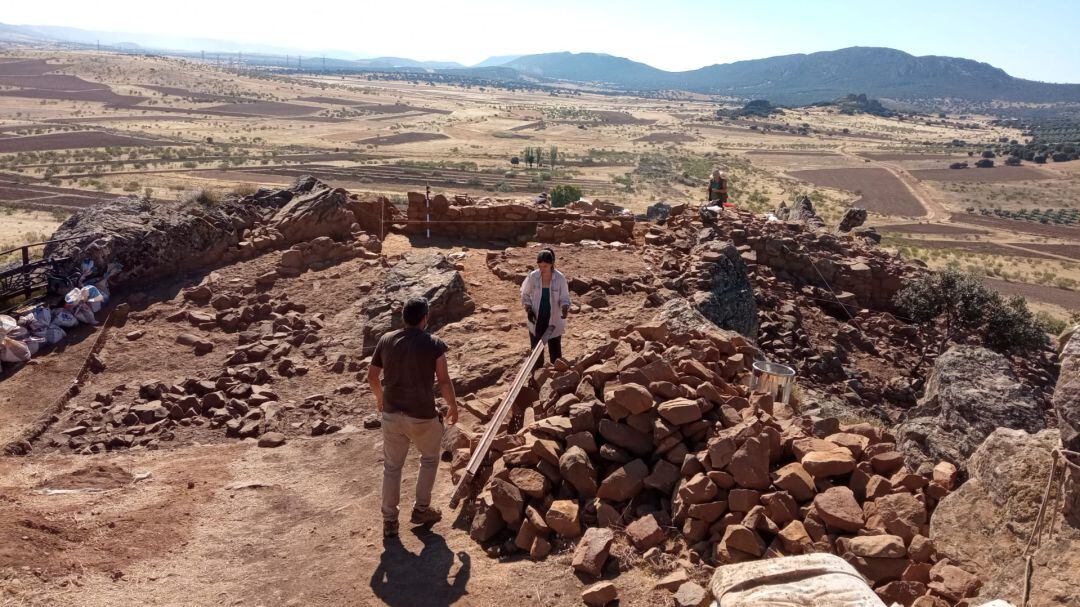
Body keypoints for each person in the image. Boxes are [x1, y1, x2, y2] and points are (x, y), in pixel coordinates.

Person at [367, 297, 459, 539]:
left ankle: (389, 521)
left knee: (392, 467)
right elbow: (444, 380)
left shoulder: (386, 340)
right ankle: (421, 509)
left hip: (391, 413)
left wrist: (380, 398)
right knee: (429, 458)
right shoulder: (434, 343)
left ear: (404, 318)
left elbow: (372, 376)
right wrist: (452, 405)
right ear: (424, 318)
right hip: (421, 415)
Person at [520, 248, 571, 367]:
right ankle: (536, 374)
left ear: (551, 264)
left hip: (553, 318)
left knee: (555, 349)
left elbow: (565, 296)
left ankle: (557, 373)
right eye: (540, 266)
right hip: (537, 316)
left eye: (545, 266)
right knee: (536, 349)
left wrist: (564, 307)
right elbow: (525, 293)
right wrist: (528, 308)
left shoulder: (560, 278)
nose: (542, 269)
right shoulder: (533, 276)